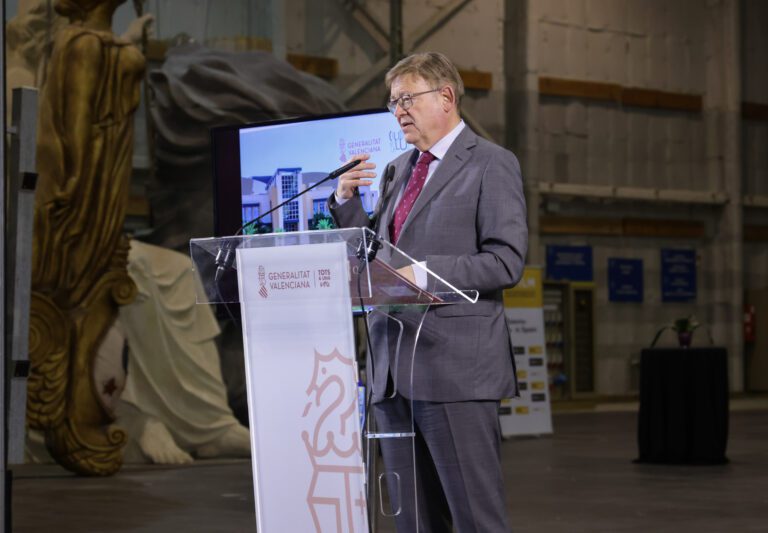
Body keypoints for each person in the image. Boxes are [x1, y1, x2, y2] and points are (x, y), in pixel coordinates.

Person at [328, 52, 527, 532]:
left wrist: (423, 274)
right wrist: (345, 203)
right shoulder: (397, 169)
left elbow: (506, 261)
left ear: (446, 97)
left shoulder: (491, 164)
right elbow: (376, 256)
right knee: (413, 522)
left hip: (455, 370)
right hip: (391, 370)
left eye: (406, 99)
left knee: (475, 518)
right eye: (393, 102)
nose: (398, 111)